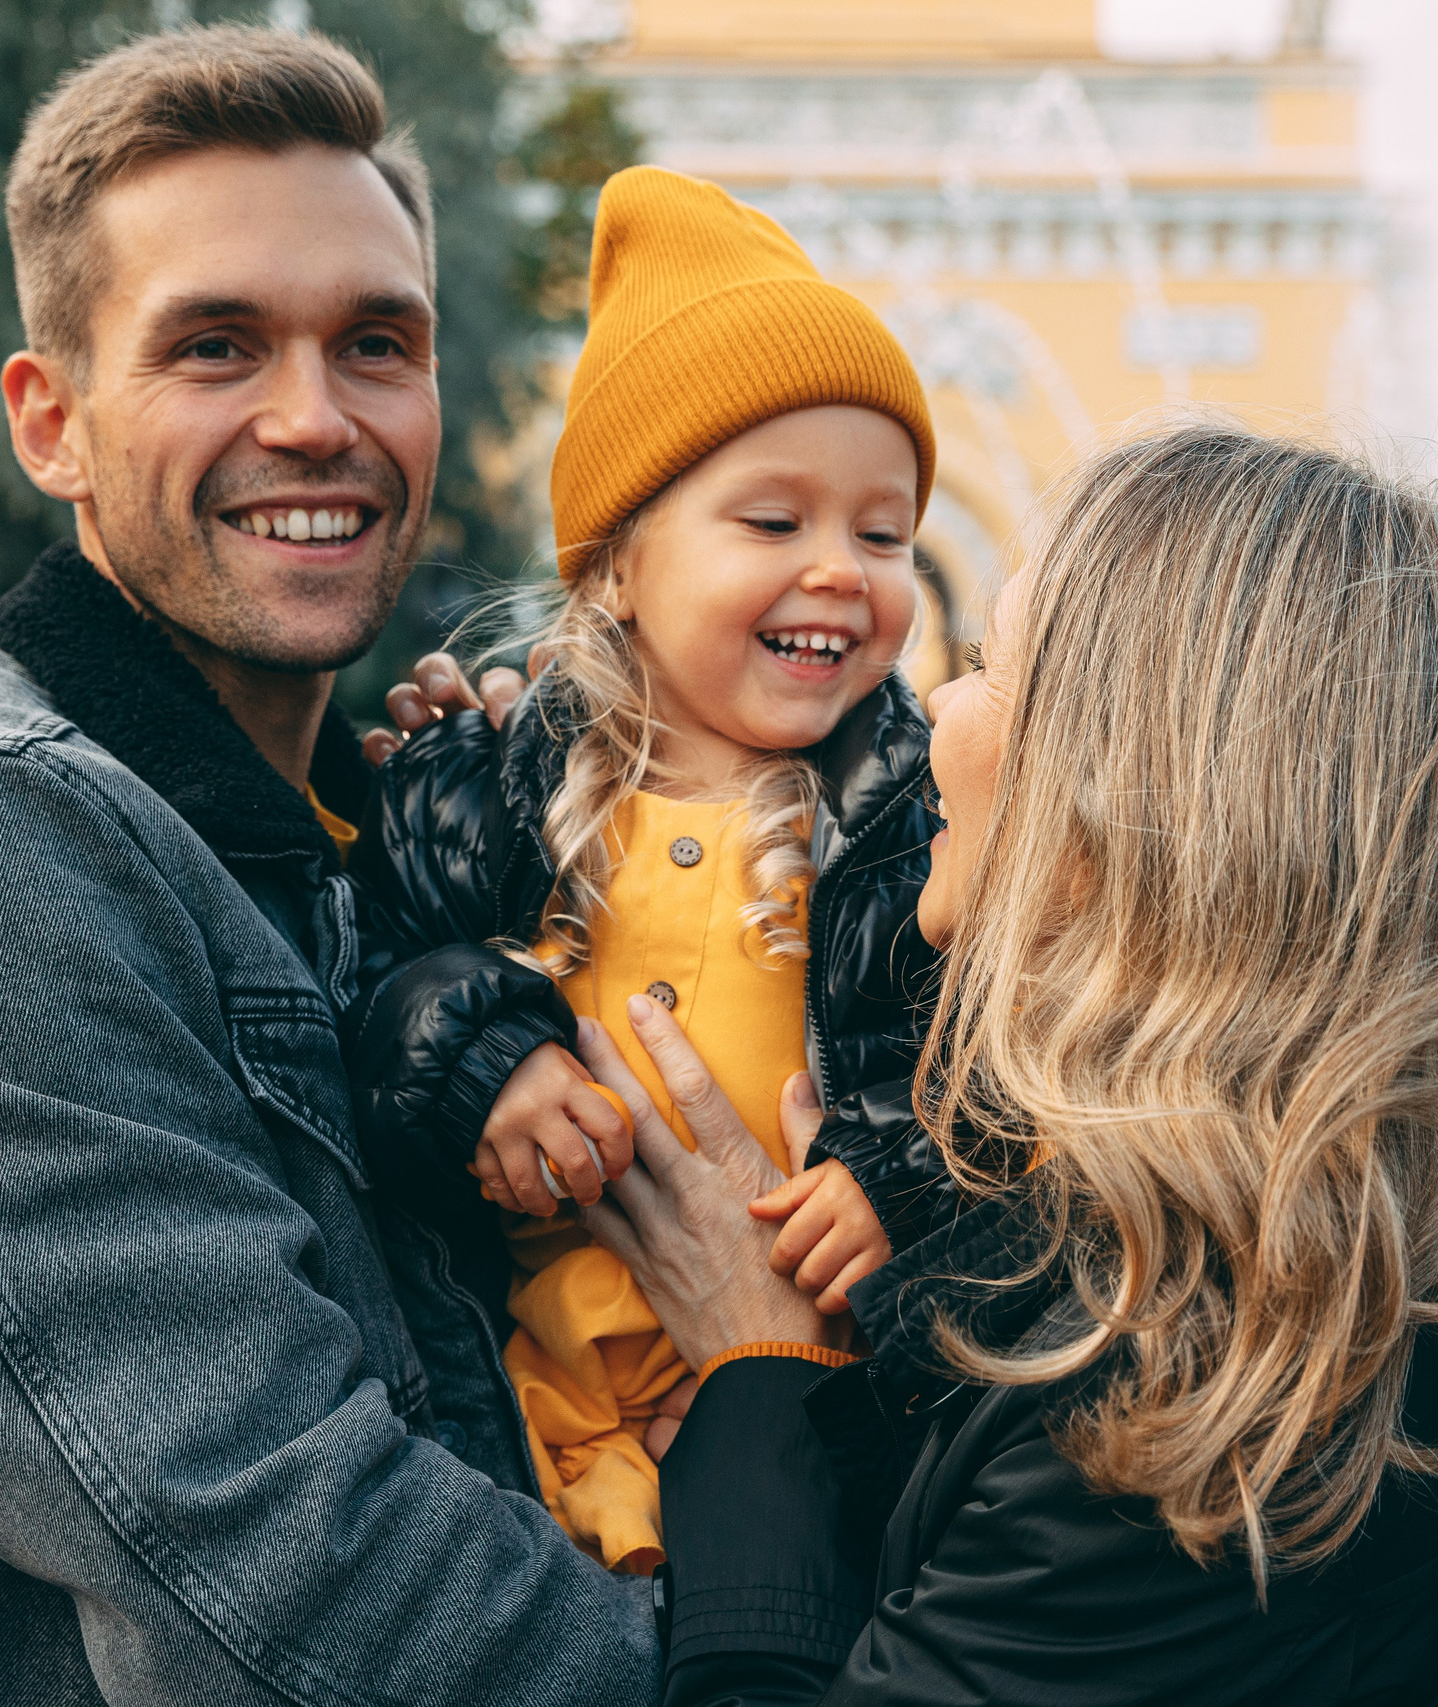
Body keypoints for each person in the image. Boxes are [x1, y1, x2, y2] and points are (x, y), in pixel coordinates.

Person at [0, 27, 658, 1705]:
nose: (316, 418)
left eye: (375, 343)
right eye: (217, 347)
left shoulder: (377, 850)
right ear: (53, 421)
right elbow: (298, 1587)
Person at [576, 425, 1438, 1704]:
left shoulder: (1182, 1391)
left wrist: (761, 1383)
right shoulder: (1334, 1197)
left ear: (1125, 793)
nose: (934, 704)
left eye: (991, 665)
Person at [344, 167, 951, 1575]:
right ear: (618, 561)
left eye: (883, 530)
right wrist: (479, 1056)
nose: (843, 569)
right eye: (773, 520)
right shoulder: (488, 788)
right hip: (531, 1429)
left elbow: (999, 1072)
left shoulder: (914, 822)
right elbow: (373, 983)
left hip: (816, 1429)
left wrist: (895, 1178)